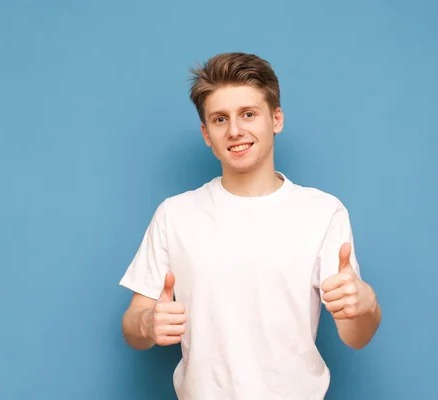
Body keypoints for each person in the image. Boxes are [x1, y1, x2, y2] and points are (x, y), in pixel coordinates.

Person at [119, 52, 382, 399]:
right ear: (206, 133)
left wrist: (366, 303)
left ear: (276, 119)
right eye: (219, 119)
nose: (235, 130)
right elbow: (133, 326)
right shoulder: (175, 214)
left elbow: (356, 336)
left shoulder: (322, 212)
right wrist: (148, 323)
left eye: (248, 114)